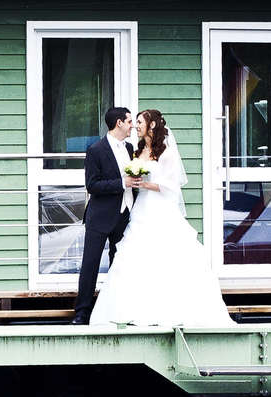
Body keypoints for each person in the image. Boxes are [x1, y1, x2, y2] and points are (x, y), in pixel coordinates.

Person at [89, 109, 234, 327]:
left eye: (139, 122)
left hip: (160, 209)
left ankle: (169, 309)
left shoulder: (166, 152)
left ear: (152, 125)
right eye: (133, 122)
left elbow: (171, 186)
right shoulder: (137, 151)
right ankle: (130, 309)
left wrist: (144, 184)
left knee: (165, 257)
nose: (136, 126)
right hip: (141, 210)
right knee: (135, 257)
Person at [72, 107, 140, 325]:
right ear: (119, 123)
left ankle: (115, 310)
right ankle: (82, 312)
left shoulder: (130, 148)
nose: (132, 126)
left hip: (125, 213)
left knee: (119, 263)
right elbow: (92, 185)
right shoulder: (96, 150)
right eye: (129, 121)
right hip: (100, 216)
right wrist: (122, 183)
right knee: (90, 264)